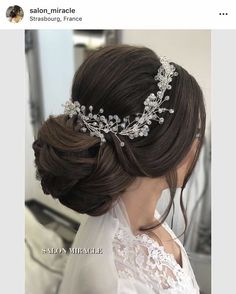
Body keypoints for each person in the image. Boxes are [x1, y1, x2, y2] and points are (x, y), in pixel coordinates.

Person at [32, 45, 206, 293]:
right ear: (160, 146)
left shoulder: (146, 218)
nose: (197, 144)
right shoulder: (114, 281)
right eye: (193, 132)